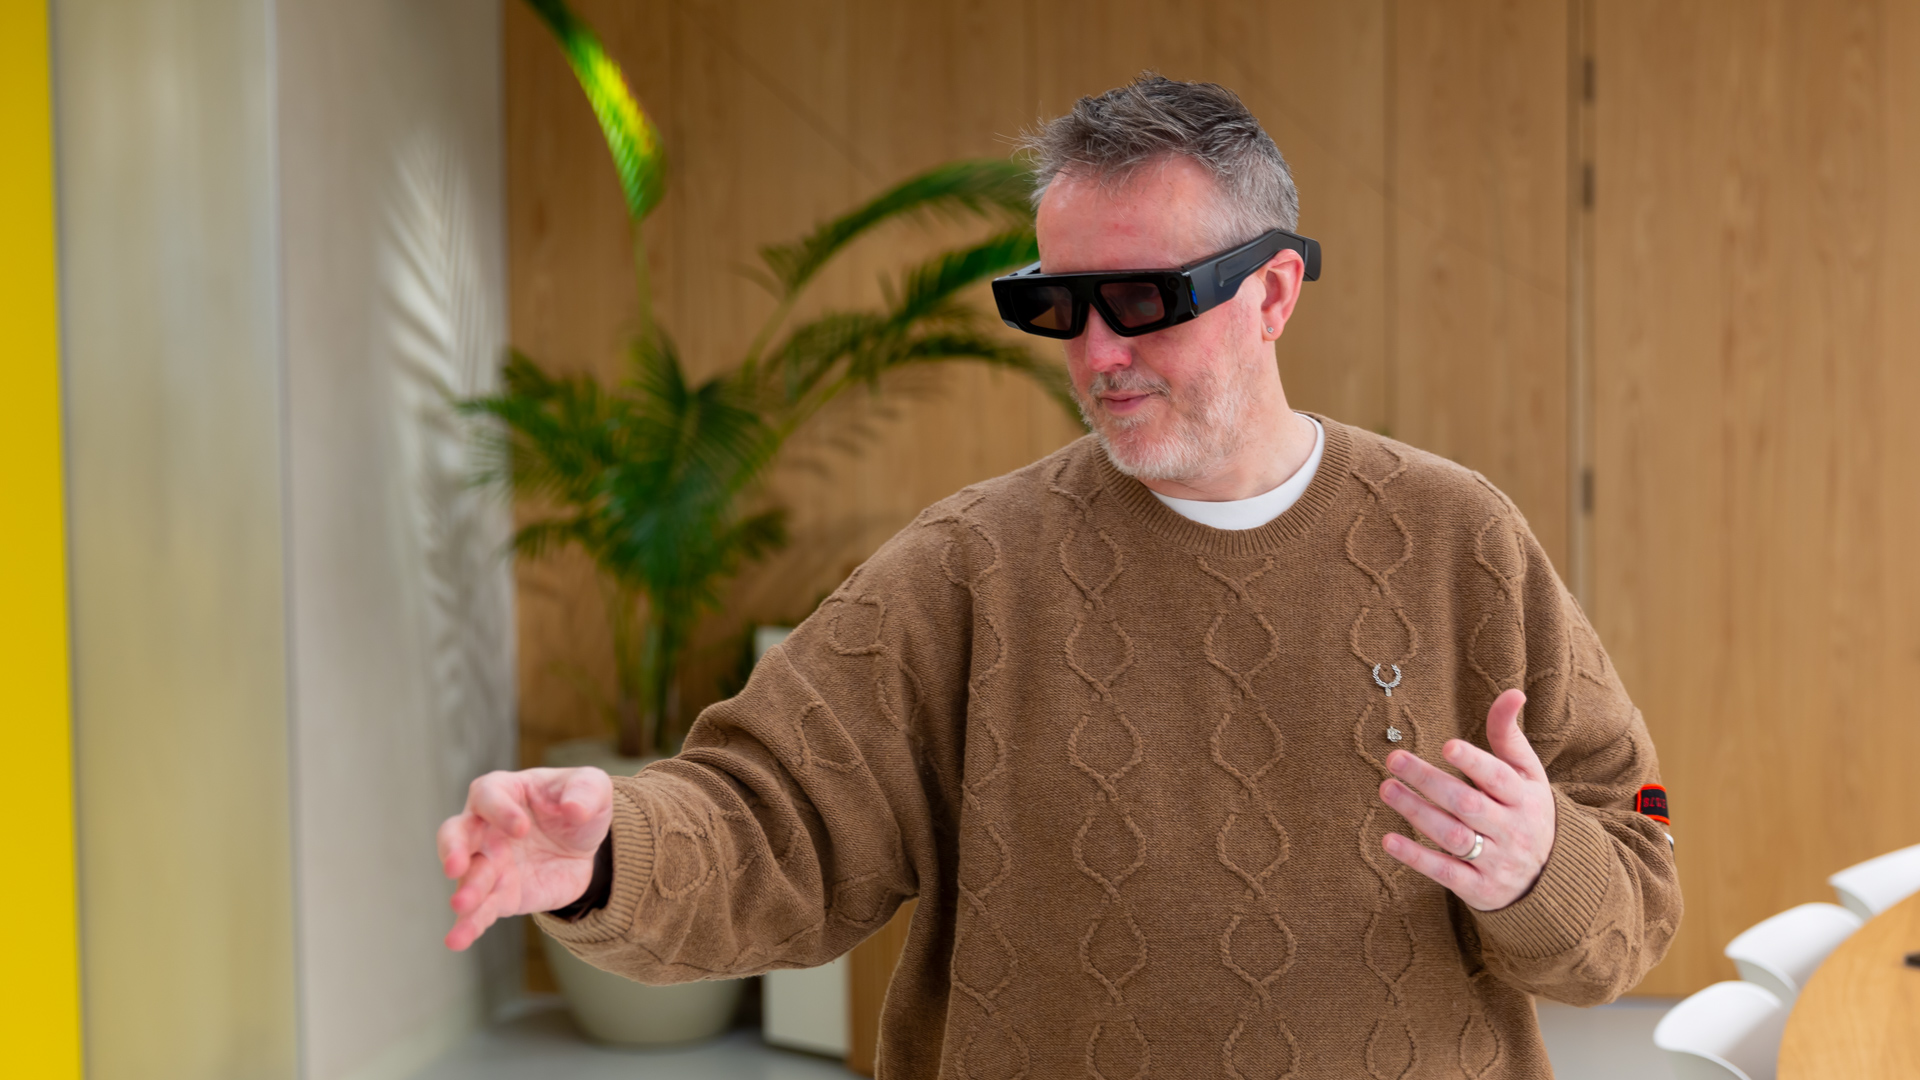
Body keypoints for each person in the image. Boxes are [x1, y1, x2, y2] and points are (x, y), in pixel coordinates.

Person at [438, 74, 1679, 1078]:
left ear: (1273, 293)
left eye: (1141, 300)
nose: (1097, 353)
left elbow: (1635, 883)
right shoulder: (970, 568)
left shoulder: (1459, 537)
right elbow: (775, 823)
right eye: (1057, 306)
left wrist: (1538, 868)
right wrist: (609, 857)